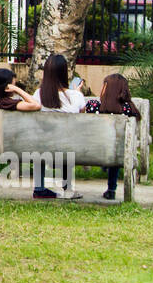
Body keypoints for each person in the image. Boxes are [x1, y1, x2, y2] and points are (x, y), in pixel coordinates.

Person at [33, 54, 86, 199]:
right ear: (64, 73)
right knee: (65, 140)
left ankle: (39, 187)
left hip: (42, 145)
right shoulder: (75, 96)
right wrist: (77, 92)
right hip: (67, 146)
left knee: (42, 140)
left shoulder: (38, 94)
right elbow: (82, 116)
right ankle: (67, 188)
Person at [85, 73, 140, 201]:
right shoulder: (129, 110)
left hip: (92, 151)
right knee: (116, 148)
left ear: (106, 89)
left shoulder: (93, 106)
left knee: (108, 145)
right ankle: (111, 189)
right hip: (117, 154)